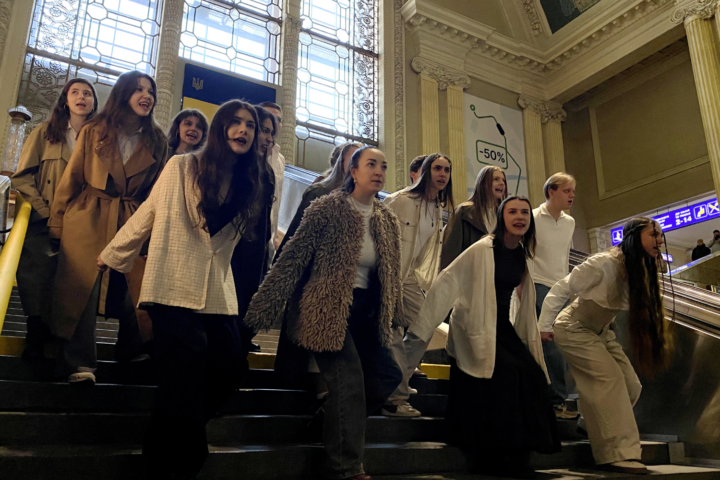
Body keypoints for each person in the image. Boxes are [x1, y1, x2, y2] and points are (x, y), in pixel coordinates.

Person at [98, 99, 265, 480]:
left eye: (250, 125)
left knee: (229, 367)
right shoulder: (182, 165)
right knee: (187, 367)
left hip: (217, 289)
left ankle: (162, 446)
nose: (243, 130)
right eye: (235, 122)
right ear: (220, 129)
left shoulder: (249, 182)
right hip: (172, 282)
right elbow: (150, 210)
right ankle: (186, 459)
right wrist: (114, 253)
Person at [245, 146, 403, 480]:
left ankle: (330, 422)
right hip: (325, 310)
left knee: (388, 376)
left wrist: (395, 312)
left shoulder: (386, 220)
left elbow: (391, 273)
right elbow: (293, 257)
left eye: (384, 166)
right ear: (353, 171)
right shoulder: (327, 207)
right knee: (349, 383)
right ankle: (347, 468)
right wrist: (263, 309)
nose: (379, 171)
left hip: (365, 313)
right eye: (371, 164)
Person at [409, 196, 560, 478]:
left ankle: (519, 454)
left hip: (502, 327)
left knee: (533, 374)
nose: (519, 217)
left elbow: (524, 299)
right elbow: (448, 280)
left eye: (524, 212)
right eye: (512, 211)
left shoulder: (522, 254)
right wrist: (423, 327)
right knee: (506, 373)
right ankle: (497, 455)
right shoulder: (483, 248)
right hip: (474, 325)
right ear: (502, 216)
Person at [48, 70, 168, 384]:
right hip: (88, 214)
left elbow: (157, 193)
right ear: (123, 93)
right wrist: (57, 222)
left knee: (136, 289)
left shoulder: (158, 140)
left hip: (133, 217)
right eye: (139, 89)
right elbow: (72, 177)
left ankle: (132, 352)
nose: (146, 96)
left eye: (151, 91)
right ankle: (79, 363)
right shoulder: (94, 130)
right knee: (81, 289)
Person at [539, 217, 672, 474]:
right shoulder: (603, 263)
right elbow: (561, 288)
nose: (659, 240)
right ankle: (618, 453)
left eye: (660, 235)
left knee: (631, 385)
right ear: (634, 237)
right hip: (573, 328)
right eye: (653, 234)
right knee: (610, 381)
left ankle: (588, 423)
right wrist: (544, 325)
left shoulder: (640, 267)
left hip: (602, 332)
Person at [12, 78, 98, 359]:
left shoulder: (100, 139)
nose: (81, 97)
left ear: (94, 102)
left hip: (82, 225)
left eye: (88, 93)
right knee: (37, 277)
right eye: (75, 92)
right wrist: (45, 211)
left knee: (73, 283)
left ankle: (61, 346)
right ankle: (36, 337)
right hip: (43, 219)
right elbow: (22, 177)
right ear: (65, 99)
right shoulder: (45, 132)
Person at [382, 153, 453, 417]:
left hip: (410, 277)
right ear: (425, 172)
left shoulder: (436, 208)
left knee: (426, 323)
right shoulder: (400, 200)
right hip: (388, 275)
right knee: (393, 333)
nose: (442, 174)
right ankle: (394, 398)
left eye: (446, 169)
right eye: (437, 168)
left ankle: (399, 377)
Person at [531, 173, 577, 419]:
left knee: (563, 343)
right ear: (551, 192)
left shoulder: (570, 222)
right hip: (538, 284)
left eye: (573, 191)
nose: (572, 196)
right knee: (549, 345)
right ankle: (556, 401)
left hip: (562, 289)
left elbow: (565, 257)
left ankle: (556, 399)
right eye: (567, 191)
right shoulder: (533, 217)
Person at [274, 141, 361, 261]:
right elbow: (297, 237)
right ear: (340, 163)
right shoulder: (319, 192)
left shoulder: (363, 199)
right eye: (354, 159)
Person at [441, 165, 507, 270]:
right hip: (468, 272)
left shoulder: (504, 215)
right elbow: (450, 249)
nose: (502, 183)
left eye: (503, 180)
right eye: (496, 179)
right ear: (483, 183)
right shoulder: (464, 212)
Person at [258, 101, 285, 252]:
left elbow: (277, 197)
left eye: (278, 119)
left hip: (268, 237)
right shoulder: (248, 152)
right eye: (269, 117)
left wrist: (274, 235)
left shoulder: (280, 159)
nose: (274, 122)